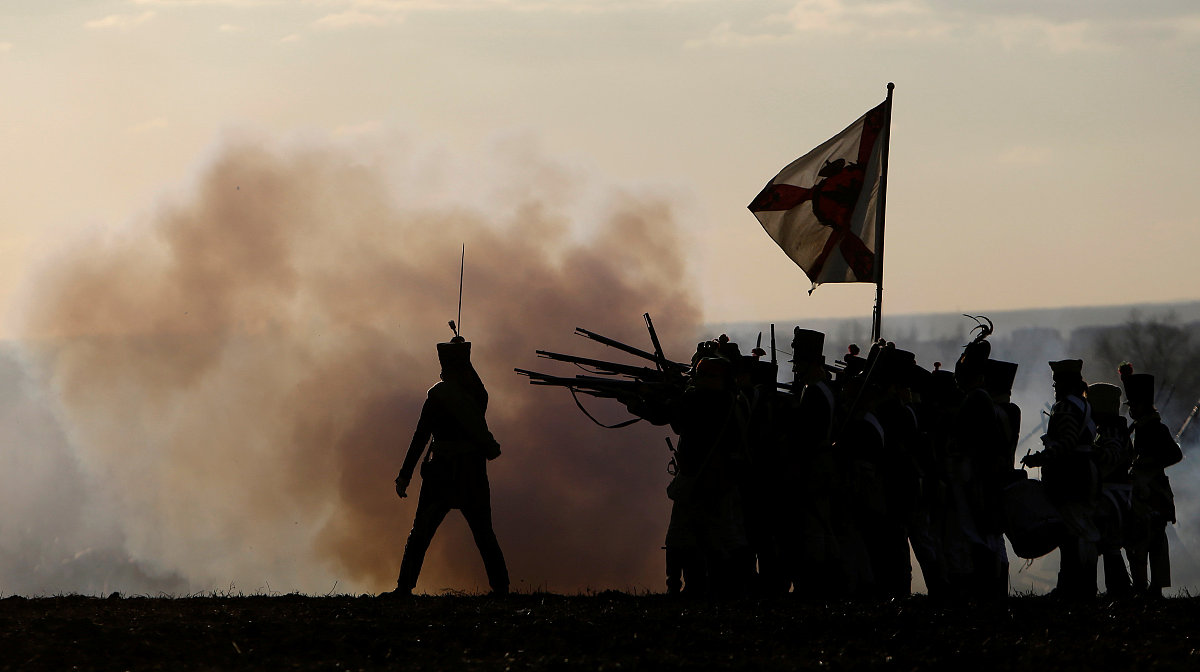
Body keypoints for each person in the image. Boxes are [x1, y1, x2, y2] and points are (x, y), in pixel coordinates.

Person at [389, 335, 509, 597]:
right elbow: (478, 392)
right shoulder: (477, 395)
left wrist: (404, 476)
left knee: (421, 533)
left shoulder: (439, 396)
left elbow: (420, 437)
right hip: (471, 471)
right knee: (483, 533)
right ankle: (501, 588)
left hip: (442, 472)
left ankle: (403, 588)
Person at [1122, 370, 1183, 598]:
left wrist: (1149, 462)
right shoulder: (1139, 428)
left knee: (1153, 541)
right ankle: (1141, 586)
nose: (1131, 409)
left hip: (1154, 492)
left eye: (1134, 404)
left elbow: (1174, 455)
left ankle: (1154, 587)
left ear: (1144, 405)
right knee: (1138, 540)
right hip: (1140, 492)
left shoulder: (1157, 429)